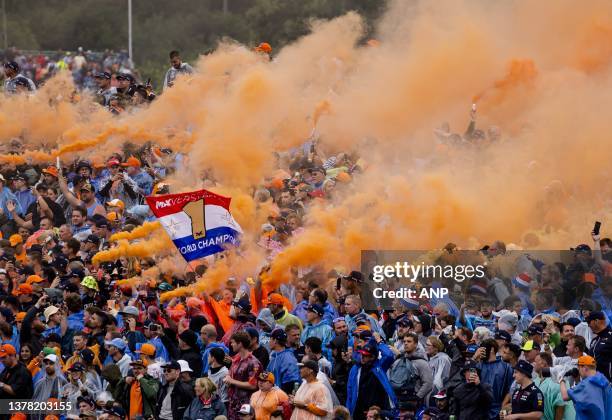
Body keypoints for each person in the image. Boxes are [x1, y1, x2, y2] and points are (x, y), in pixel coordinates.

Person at [347, 339, 398, 420]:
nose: (362, 357)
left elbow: (389, 356)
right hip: (359, 411)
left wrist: (379, 342)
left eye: (365, 355)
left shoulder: (380, 367)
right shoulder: (355, 369)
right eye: (362, 355)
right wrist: (349, 410)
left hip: (377, 411)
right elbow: (350, 390)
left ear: (373, 357)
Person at [559, 355, 612, 420]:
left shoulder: (585, 385)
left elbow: (565, 396)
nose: (578, 370)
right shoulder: (605, 381)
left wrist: (561, 379)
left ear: (585, 368)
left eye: (579, 367)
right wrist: (577, 380)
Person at [225, 331, 263, 420]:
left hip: (246, 406)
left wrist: (232, 381)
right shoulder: (235, 359)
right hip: (233, 405)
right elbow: (230, 376)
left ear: (240, 344)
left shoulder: (253, 362)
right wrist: (227, 379)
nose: (231, 344)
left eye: (233, 342)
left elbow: (253, 385)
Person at [532, 352, 571, 420]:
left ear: (543, 363)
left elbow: (560, 407)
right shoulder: (535, 381)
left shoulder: (558, 379)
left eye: (535, 362)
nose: (533, 364)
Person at [266, 328, 300, 394]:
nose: (269, 342)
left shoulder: (288, 358)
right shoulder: (274, 356)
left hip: (283, 398)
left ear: (275, 340)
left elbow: (291, 382)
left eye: (270, 339)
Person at [586, 311, 612, 380]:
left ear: (596, 321)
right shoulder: (594, 340)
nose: (588, 325)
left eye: (589, 322)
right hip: (595, 382)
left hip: (608, 383)